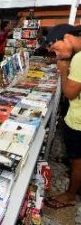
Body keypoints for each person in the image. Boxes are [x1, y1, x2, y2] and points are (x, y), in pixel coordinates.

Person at [44, 24, 81, 209]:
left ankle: (70, 195)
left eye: (57, 49)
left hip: (78, 121)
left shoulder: (79, 58)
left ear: (67, 37)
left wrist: (64, 70)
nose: (57, 54)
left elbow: (70, 93)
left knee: (77, 161)